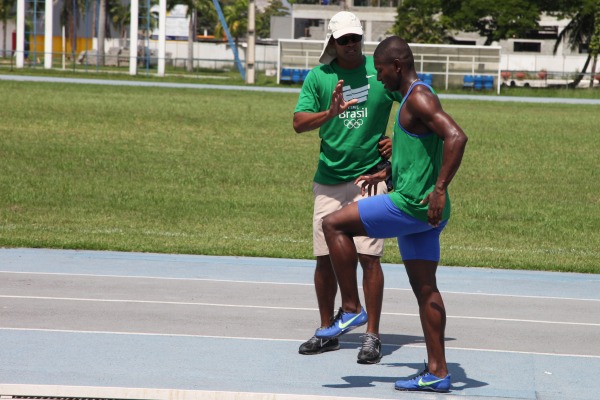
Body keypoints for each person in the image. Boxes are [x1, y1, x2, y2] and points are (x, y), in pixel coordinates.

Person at [317, 36, 468, 393]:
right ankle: (438, 372)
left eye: (382, 71)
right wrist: (386, 172)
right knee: (425, 288)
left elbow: (456, 137)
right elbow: (423, 148)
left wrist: (440, 187)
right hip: (426, 210)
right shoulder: (412, 98)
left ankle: (351, 307)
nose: (379, 77)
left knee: (333, 224)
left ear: (397, 67)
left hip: (412, 204)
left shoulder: (419, 95)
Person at [292, 11, 402, 364]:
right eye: (344, 40)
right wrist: (330, 113)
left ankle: (372, 336)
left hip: (369, 179)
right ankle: (329, 331)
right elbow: (298, 123)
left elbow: (417, 104)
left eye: (356, 38)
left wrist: (396, 143)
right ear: (332, 43)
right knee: (324, 260)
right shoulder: (320, 77)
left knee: (369, 258)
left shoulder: (380, 69)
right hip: (329, 179)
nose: (351, 45)